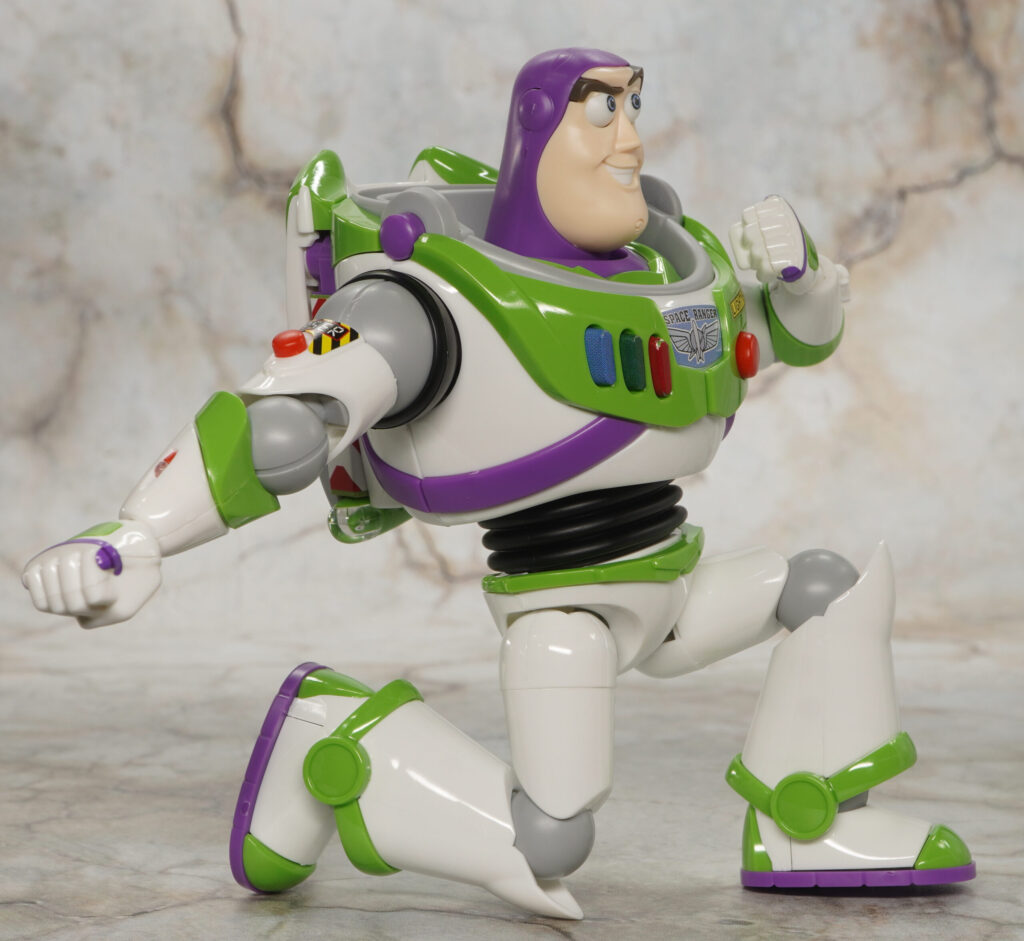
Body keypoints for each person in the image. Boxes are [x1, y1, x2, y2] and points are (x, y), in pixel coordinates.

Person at [21, 48, 974, 919]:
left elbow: (792, 335)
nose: (630, 140)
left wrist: (800, 279)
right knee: (548, 840)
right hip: (563, 608)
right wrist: (137, 533)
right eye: (599, 113)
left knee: (824, 591)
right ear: (537, 133)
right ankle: (332, 737)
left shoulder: (665, 268)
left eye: (633, 108)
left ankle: (807, 825)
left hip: (672, 579)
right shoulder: (428, 297)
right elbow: (283, 422)